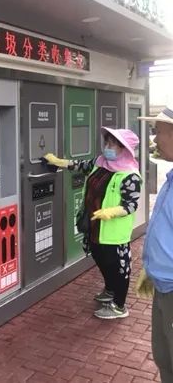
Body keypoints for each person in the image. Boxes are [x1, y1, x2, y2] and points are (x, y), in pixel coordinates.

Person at [44, 127, 142, 319]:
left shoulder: (130, 175)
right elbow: (80, 165)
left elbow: (131, 205)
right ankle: (110, 290)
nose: (108, 147)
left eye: (113, 144)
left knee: (118, 267)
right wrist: (59, 162)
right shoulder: (100, 163)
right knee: (100, 258)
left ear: (125, 149)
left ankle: (119, 306)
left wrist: (112, 212)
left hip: (113, 232)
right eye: (107, 142)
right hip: (94, 226)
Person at [136, 106, 173, 382]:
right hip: (163, 286)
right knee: (164, 356)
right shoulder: (170, 179)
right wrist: (152, 266)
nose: (155, 139)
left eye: (158, 132)